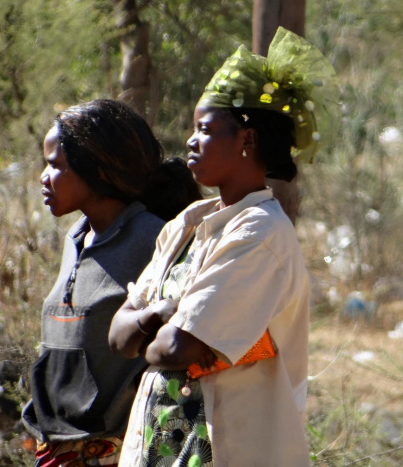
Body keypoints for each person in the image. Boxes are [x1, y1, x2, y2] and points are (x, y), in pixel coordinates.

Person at [109, 28, 338, 466]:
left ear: (247, 141)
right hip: (160, 445)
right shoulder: (187, 224)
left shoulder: (260, 233)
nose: (191, 141)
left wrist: (151, 329)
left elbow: (174, 350)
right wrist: (162, 313)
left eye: (205, 129)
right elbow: (118, 337)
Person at [21, 98, 202, 467]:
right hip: (55, 446)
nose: (43, 176)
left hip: (112, 451)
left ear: (97, 169)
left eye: (55, 165)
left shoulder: (153, 239)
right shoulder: (77, 237)